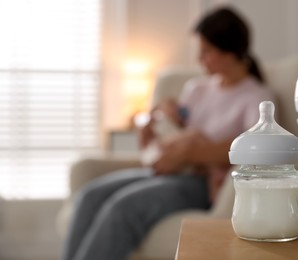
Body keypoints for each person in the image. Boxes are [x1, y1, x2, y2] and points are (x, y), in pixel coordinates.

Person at [62, 6, 275, 260]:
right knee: (90, 196)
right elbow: (170, 135)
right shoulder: (196, 89)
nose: (199, 58)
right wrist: (153, 119)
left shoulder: (256, 97)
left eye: (206, 51)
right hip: (170, 171)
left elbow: (258, 150)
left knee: (124, 207)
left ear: (230, 51)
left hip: (202, 184)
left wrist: (189, 153)